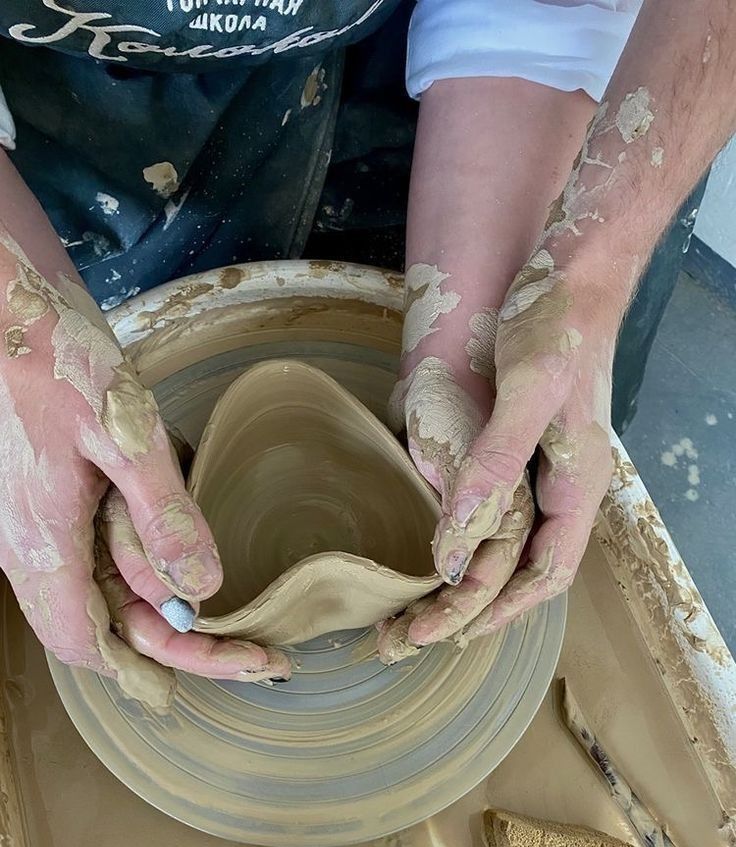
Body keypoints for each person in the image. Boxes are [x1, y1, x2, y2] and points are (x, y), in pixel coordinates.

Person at [0, 0, 731, 685]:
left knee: (527, 422)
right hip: (53, 106)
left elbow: (538, 12)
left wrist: (549, 296)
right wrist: (19, 344)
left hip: (439, 69)